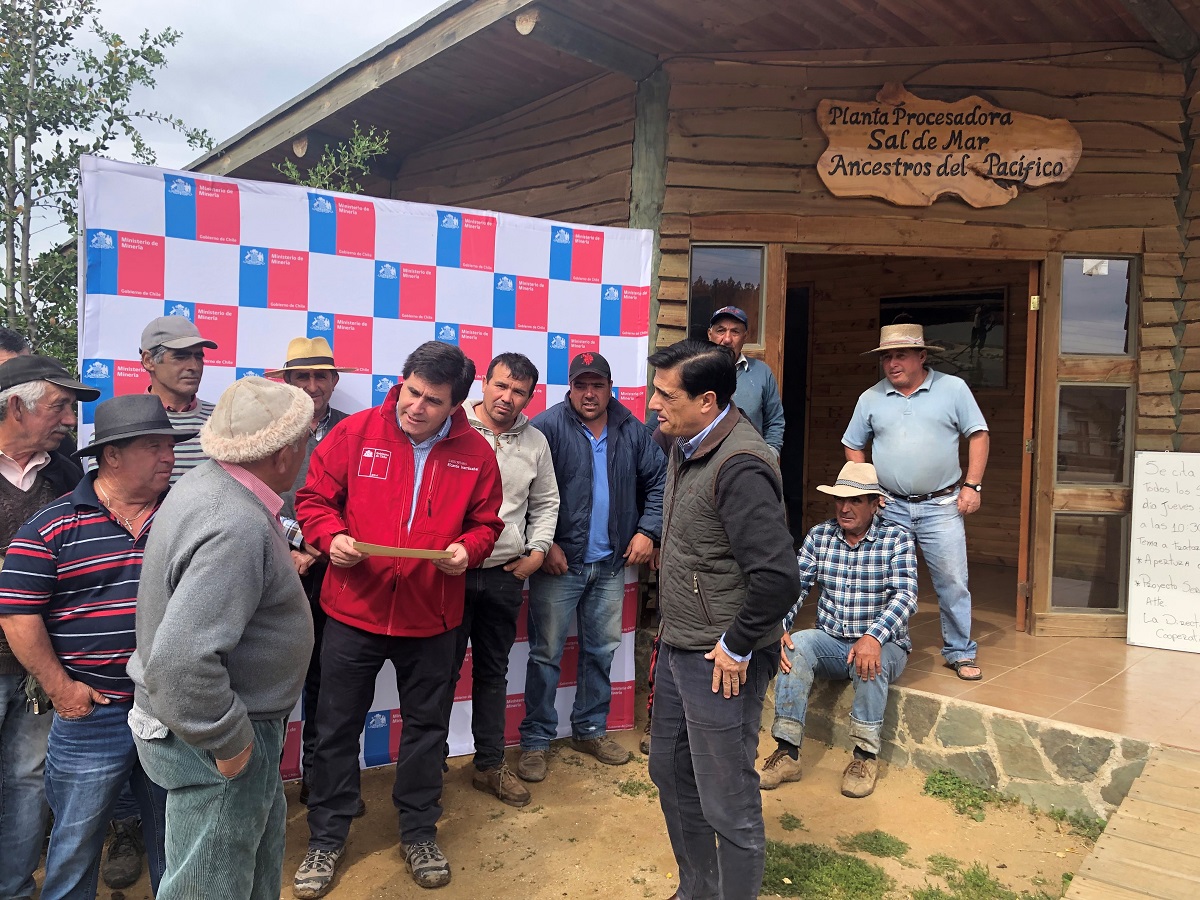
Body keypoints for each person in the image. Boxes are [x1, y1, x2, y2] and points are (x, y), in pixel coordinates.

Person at [293, 341, 503, 896]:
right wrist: (328, 536)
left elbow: (487, 524)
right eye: (413, 392)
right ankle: (327, 837)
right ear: (402, 381)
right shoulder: (355, 432)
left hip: (432, 618)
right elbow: (313, 500)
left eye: (434, 401)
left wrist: (469, 549)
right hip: (352, 611)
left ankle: (417, 831)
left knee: (427, 731)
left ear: (456, 404)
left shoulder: (476, 453)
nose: (417, 407)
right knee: (335, 727)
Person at [127, 376, 315, 900]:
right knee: (208, 885)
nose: (308, 449)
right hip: (219, 734)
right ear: (281, 454)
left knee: (243, 865)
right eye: (305, 437)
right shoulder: (233, 521)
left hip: (223, 726)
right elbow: (183, 663)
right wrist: (229, 743)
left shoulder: (214, 486)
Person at [0, 394, 193, 897]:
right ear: (112, 455)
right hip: (93, 713)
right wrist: (60, 688)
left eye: (170, 446)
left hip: (170, 709)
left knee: (174, 838)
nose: (169, 458)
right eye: (155, 447)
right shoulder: (51, 524)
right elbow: (18, 611)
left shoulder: (185, 516)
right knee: (75, 842)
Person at [645, 340, 800, 900]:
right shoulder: (685, 442)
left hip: (720, 661)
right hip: (680, 644)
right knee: (670, 772)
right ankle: (697, 891)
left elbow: (778, 576)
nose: (653, 403)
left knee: (726, 800)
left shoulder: (741, 464)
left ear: (707, 400)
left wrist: (737, 645)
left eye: (665, 394)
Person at [516, 351, 665, 784]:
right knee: (545, 654)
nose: (589, 393)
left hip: (612, 565)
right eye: (581, 385)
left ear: (609, 386)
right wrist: (545, 546)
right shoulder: (547, 427)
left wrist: (647, 530)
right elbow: (521, 493)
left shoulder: (631, 428)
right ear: (570, 388)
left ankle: (591, 729)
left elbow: (657, 481)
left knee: (601, 652)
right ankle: (536, 741)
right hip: (560, 566)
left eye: (597, 385)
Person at [758, 461, 918, 799]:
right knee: (794, 646)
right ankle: (787, 752)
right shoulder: (821, 535)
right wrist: (781, 626)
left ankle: (864, 757)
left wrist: (873, 637)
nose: (845, 508)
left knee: (870, 662)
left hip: (884, 644)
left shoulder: (897, 539)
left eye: (856, 501)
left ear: (875, 503)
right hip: (832, 641)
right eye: (840, 500)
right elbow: (794, 587)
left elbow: (906, 596)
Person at [0, 354, 97, 900]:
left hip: (39, 661)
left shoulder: (64, 474)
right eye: (59, 406)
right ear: (17, 406)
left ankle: (13, 888)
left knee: (27, 780)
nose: (68, 420)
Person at [843, 323, 989, 681]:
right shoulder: (871, 398)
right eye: (887, 357)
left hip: (941, 505)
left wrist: (973, 485)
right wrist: (869, 489)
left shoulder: (952, 389)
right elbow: (852, 444)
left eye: (901, 355)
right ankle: (885, 644)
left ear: (921, 356)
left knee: (952, 580)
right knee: (884, 579)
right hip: (889, 504)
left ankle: (959, 651)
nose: (892, 363)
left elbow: (979, 434)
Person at [453, 353, 559, 808]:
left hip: (503, 575)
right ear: (485, 384)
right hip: (449, 573)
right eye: (500, 386)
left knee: (493, 673)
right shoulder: (452, 426)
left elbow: (547, 500)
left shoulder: (535, 442)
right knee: (437, 672)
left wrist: (536, 552)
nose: (506, 397)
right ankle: (428, 764)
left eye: (518, 391)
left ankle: (489, 765)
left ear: (529, 397)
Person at [262, 337, 354, 809]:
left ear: (335, 382)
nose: (313, 385)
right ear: (288, 381)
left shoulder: (354, 430)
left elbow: (357, 505)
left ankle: (321, 780)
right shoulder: (270, 429)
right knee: (270, 681)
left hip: (329, 572)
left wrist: (314, 551)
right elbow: (256, 496)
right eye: (303, 376)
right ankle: (262, 789)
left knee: (327, 680)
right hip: (269, 570)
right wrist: (296, 544)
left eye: (322, 376)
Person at [139, 316, 218, 483]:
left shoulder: (223, 418)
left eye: (198, 357)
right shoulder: (122, 421)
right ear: (148, 361)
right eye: (180, 357)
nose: (194, 366)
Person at [707, 306, 785, 456]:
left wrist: (769, 457)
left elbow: (775, 421)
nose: (727, 339)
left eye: (735, 332)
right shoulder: (693, 371)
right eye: (720, 331)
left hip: (749, 465)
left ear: (745, 336)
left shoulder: (762, 372)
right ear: (710, 334)